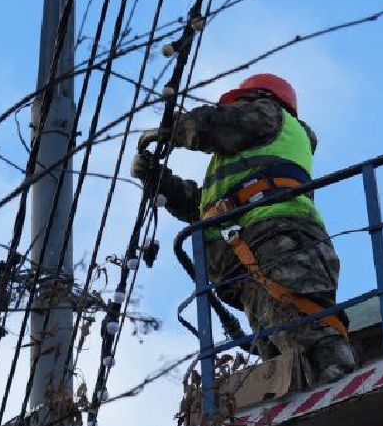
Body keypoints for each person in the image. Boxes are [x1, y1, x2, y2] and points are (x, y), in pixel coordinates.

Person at [134, 73, 357, 385]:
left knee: (306, 327)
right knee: (281, 352)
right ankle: (313, 392)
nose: (233, 108)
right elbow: (209, 210)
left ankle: (340, 385)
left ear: (259, 98)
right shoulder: (245, 156)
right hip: (250, 254)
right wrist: (162, 183)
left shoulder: (270, 116)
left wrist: (173, 130)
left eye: (237, 103)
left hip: (278, 238)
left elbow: (214, 124)